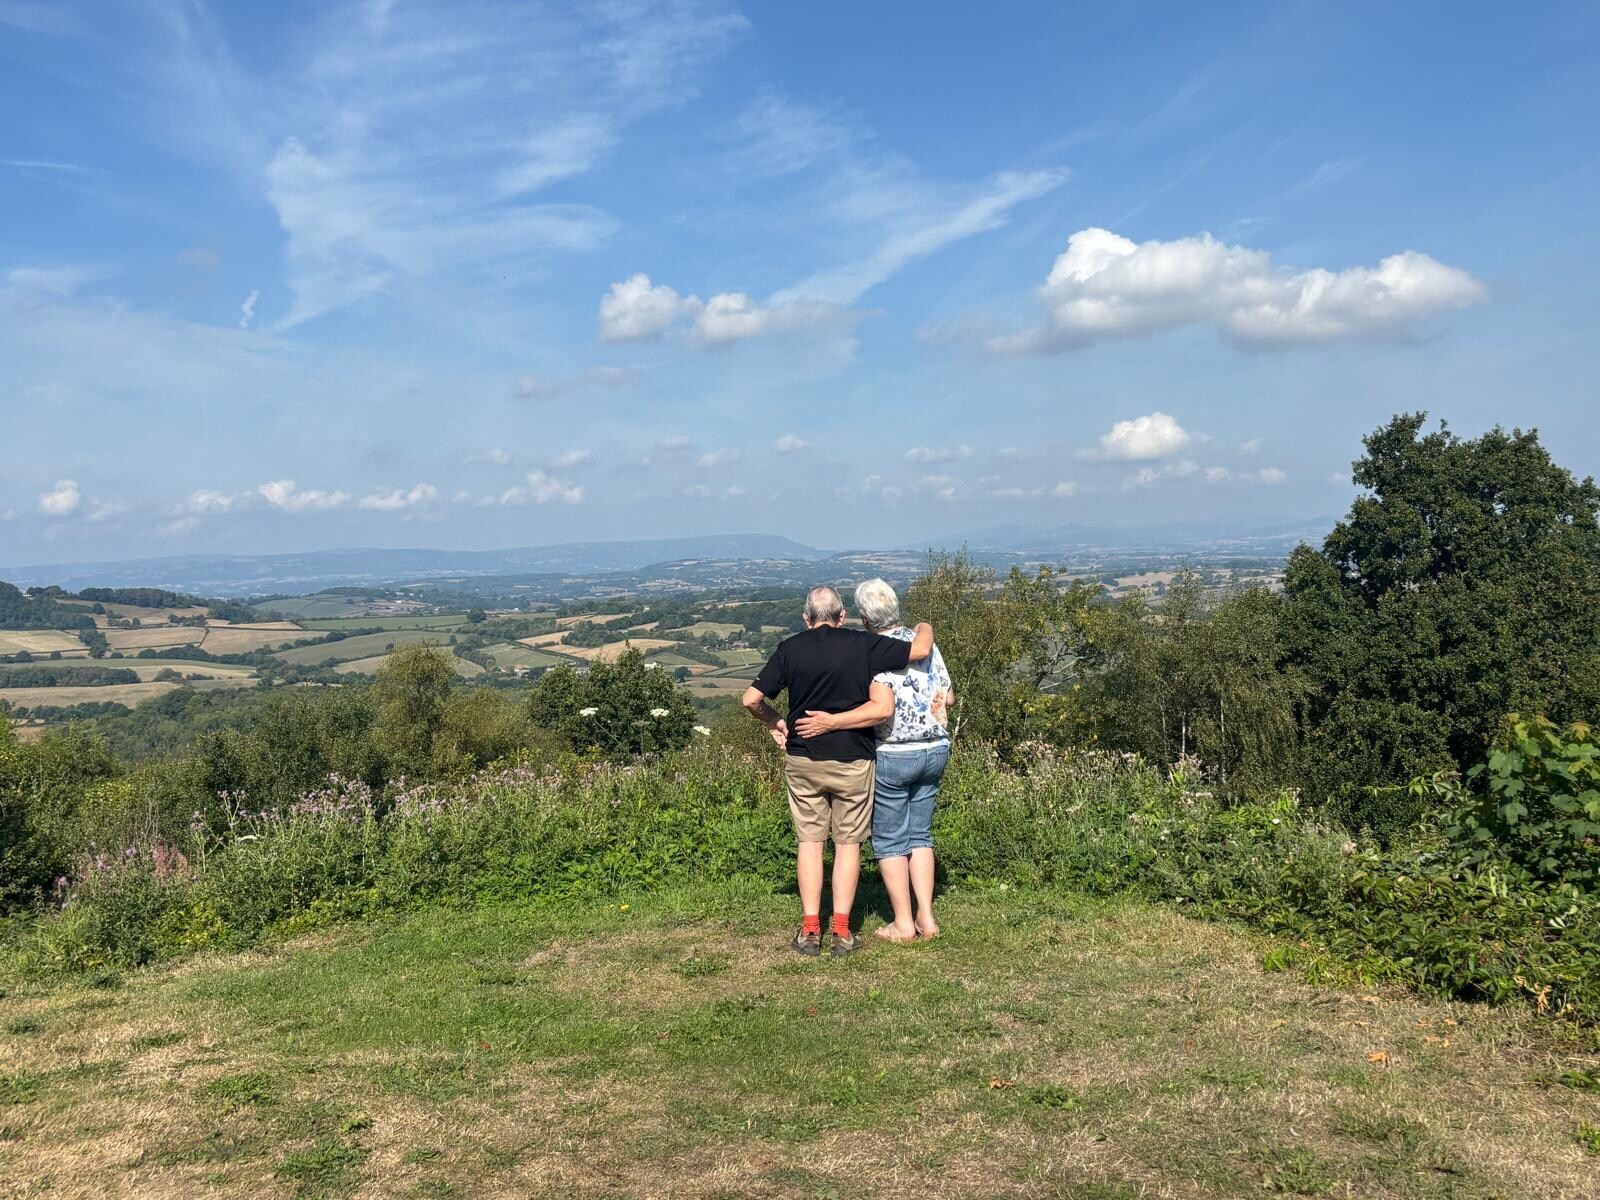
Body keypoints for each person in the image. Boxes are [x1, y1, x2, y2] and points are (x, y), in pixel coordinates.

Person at [742, 585, 933, 956]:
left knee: (810, 842)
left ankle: (810, 927)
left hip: (803, 759)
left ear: (806, 618)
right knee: (848, 845)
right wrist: (926, 624)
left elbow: (751, 699)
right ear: (843, 616)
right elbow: (920, 649)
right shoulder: (863, 645)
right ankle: (842, 930)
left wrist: (775, 722)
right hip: (853, 759)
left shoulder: (789, 648)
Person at [793, 578, 953, 942]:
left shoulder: (872, 650)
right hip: (935, 747)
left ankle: (902, 922)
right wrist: (925, 627)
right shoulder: (926, 646)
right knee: (921, 836)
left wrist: (830, 721)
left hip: (895, 752)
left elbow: (881, 709)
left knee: (891, 840)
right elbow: (949, 696)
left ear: (863, 619)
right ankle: (927, 918)